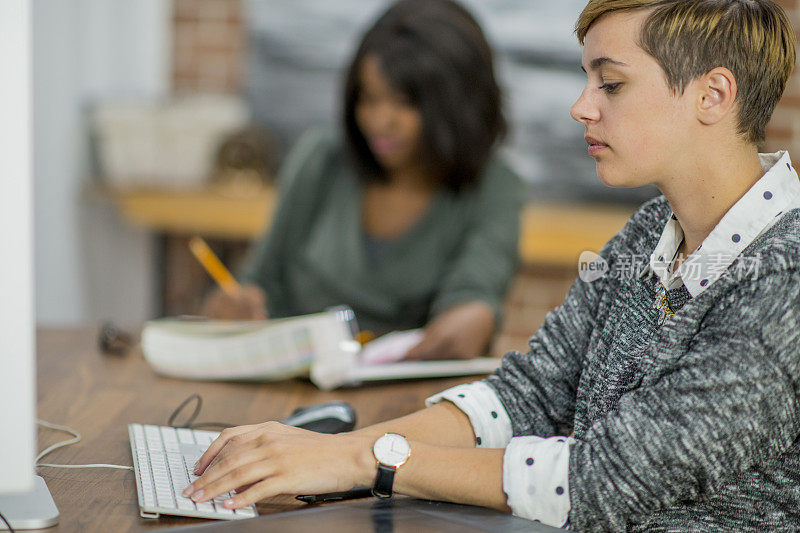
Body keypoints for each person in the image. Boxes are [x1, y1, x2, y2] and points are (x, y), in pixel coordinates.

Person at [183, 0, 800, 529]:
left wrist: (366, 460)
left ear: (713, 95)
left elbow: (604, 479)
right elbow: (529, 394)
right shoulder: (649, 234)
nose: (581, 107)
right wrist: (340, 450)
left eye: (610, 84)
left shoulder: (784, 280)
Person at [203, 0, 522, 360]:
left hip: (405, 402)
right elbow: (261, 280)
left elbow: (472, 300)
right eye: (369, 99)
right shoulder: (322, 158)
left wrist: (472, 320)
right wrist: (236, 307)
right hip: (285, 385)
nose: (379, 121)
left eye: (402, 103)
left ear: (455, 105)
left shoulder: (496, 186)